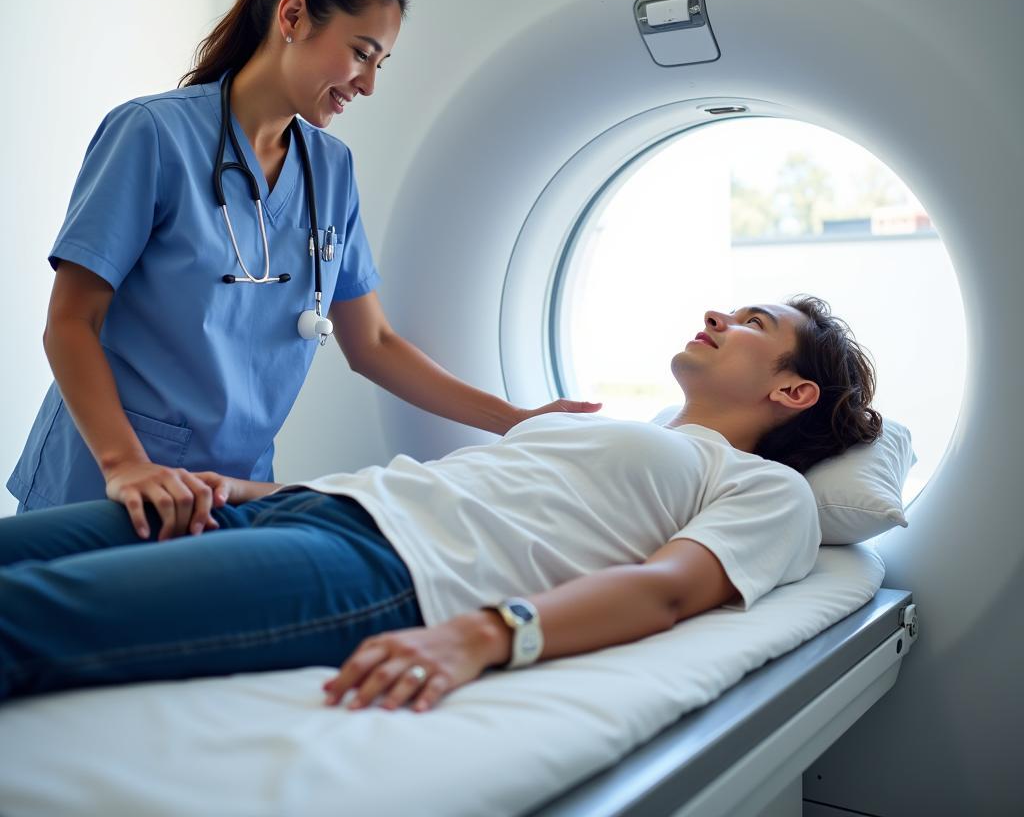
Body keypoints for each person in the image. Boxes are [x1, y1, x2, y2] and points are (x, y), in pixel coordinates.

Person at [6, 0, 597, 534]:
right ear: (292, 16)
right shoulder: (152, 136)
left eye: (380, 63)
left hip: (231, 490)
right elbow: (70, 322)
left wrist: (518, 420)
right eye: (362, 53)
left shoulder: (331, 169)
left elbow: (372, 344)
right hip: (106, 480)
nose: (368, 84)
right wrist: (124, 463)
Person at [0, 296, 882, 708]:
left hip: (379, 570)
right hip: (303, 507)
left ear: (794, 394)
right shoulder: (595, 429)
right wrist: (245, 490)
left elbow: (668, 590)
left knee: (24, 616)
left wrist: (481, 634)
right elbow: (448, 485)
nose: (718, 313)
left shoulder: (766, 490)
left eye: (754, 325)